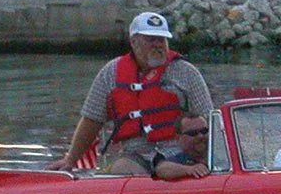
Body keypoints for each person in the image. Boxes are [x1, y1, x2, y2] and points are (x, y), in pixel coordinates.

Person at [51, 11, 215, 174]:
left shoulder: (186, 72)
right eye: (151, 40)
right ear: (134, 42)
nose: (158, 45)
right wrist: (70, 160)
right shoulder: (111, 73)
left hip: (180, 153)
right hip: (136, 155)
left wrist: (213, 159)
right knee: (119, 171)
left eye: (162, 40)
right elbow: (91, 119)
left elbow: (211, 120)